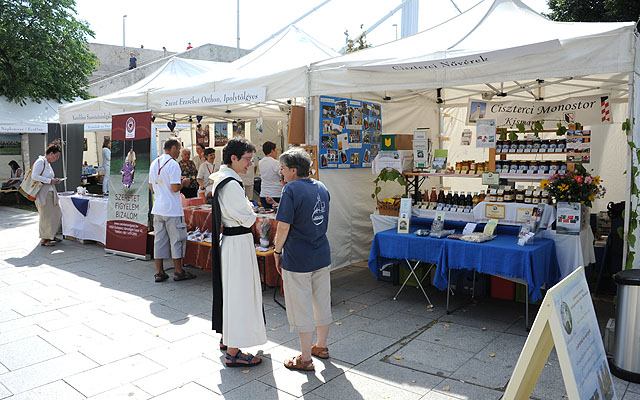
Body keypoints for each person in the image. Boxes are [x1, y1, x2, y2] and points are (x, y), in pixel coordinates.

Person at [210, 137, 266, 367]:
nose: (250, 164)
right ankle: (233, 351)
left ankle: (228, 338)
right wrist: (251, 209)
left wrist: (248, 209)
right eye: (247, 159)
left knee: (233, 291)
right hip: (238, 241)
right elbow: (247, 216)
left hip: (234, 242)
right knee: (240, 293)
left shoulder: (224, 178)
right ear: (233, 158)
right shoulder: (231, 184)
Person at [274, 147, 331, 372]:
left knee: (301, 307)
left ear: (294, 170)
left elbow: (284, 227)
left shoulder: (291, 189)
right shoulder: (322, 186)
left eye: (284, 168)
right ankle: (322, 347)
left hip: (298, 257)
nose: (282, 172)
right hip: (321, 253)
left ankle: (305, 358)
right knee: (321, 302)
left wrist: (277, 252)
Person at [149, 139, 196, 283]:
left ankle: (159, 272)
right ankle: (178, 271)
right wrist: (184, 182)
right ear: (173, 147)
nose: (180, 152)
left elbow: (152, 186)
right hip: (172, 209)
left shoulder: (154, 163)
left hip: (158, 207)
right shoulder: (173, 164)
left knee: (159, 240)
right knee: (177, 240)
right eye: (179, 149)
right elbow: (175, 188)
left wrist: (163, 190)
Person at [31, 142, 63, 247]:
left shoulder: (47, 163)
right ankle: (45, 239)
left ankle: (51, 235)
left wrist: (54, 180)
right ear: (51, 154)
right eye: (57, 155)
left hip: (51, 192)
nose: (57, 158)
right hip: (44, 193)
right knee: (46, 216)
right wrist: (49, 181)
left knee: (56, 213)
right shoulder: (41, 161)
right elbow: (34, 176)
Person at [258, 141, 283, 209]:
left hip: (263, 194)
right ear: (272, 151)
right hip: (276, 194)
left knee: (266, 217)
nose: (277, 153)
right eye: (276, 150)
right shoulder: (276, 163)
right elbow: (282, 175)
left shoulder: (260, 162)